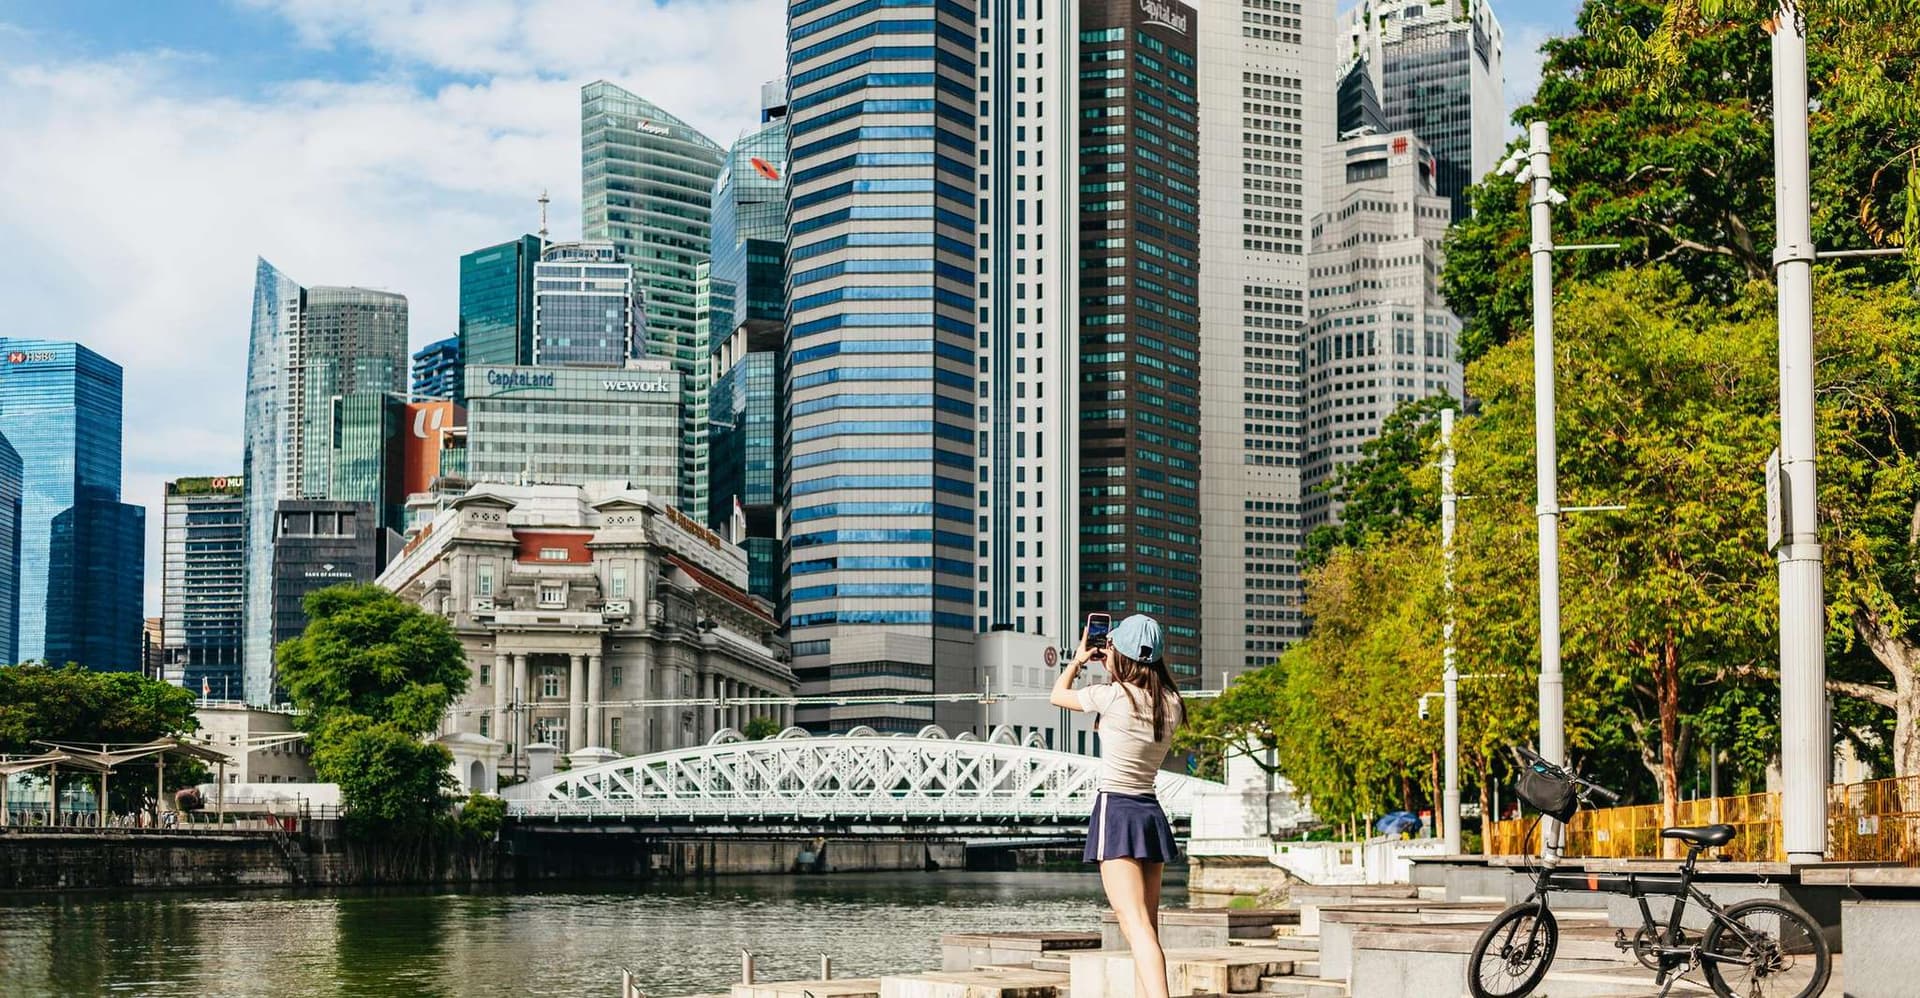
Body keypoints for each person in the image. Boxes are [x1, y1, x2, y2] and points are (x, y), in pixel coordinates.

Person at [1051, 613, 1187, 998]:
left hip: (1117, 810)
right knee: (1146, 925)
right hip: (1150, 811)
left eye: (1111, 647)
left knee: (1134, 923)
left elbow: (1057, 695)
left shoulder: (1111, 696)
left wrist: (1078, 661)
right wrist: (1114, 660)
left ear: (1122, 655)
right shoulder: (1172, 704)